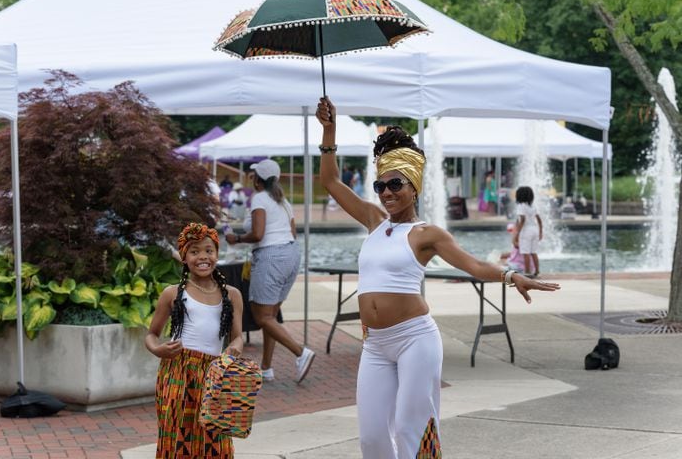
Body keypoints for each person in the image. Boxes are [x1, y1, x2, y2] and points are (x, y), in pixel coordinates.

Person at [316, 97, 560, 458]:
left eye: (395, 184)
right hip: (375, 344)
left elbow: (474, 266)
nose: (386, 193)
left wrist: (512, 276)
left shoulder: (427, 234)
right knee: (371, 437)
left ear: (414, 186)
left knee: (410, 429)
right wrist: (329, 130)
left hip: (415, 339)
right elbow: (331, 180)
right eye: (380, 186)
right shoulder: (373, 220)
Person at [145, 223, 244, 458]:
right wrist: (159, 350)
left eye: (209, 250)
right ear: (184, 257)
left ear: (217, 254)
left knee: (216, 440)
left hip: (214, 372)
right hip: (178, 371)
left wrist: (232, 351)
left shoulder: (232, 294)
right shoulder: (173, 293)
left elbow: (237, 337)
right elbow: (151, 334)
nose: (203, 257)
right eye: (195, 251)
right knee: (178, 438)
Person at [225, 159, 314, 383]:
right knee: (271, 316)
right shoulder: (283, 201)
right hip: (291, 255)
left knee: (262, 316)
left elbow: (258, 234)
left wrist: (235, 239)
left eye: (252, 175)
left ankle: (301, 352)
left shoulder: (259, 199)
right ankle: (266, 367)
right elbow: (292, 232)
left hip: (271, 256)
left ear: (257, 179)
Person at [513, 185, 543, 277]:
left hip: (526, 230)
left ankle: (527, 272)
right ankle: (537, 271)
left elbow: (522, 219)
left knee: (526, 253)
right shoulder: (532, 207)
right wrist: (541, 232)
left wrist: (517, 234)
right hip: (534, 229)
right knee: (533, 252)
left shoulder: (521, 206)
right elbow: (539, 220)